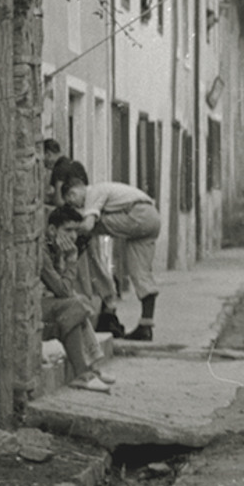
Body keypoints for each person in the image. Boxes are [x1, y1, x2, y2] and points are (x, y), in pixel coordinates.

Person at [62, 176, 163, 342]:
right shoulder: (101, 191)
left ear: (72, 193)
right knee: (140, 273)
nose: (76, 205)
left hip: (139, 214)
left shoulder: (93, 191)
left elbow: (88, 226)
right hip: (151, 219)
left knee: (93, 224)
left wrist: (69, 231)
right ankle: (146, 325)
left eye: (73, 202)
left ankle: (71, 254)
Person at [41, 206, 113, 393]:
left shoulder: (54, 247)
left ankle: (92, 368)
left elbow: (63, 289)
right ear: (51, 230)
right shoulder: (41, 251)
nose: (73, 236)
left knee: (76, 301)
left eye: (76, 230)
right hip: (29, 312)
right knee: (73, 305)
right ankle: (82, 373)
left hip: (42, 308)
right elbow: (62, 291)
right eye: (68, 230)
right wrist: (71, 259)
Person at [42, 138, 87, 207]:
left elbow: (59, 201)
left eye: (43, 160)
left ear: (48, 154)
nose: (44, 165)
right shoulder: (76, 164)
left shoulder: (59, 169)